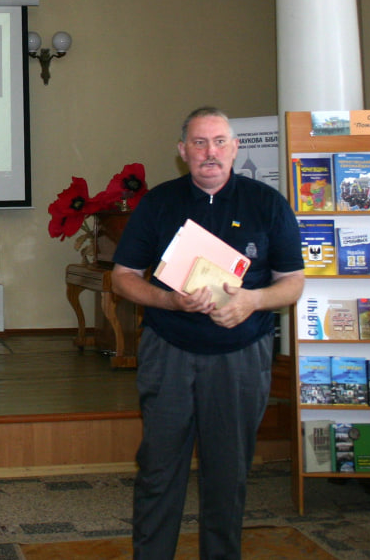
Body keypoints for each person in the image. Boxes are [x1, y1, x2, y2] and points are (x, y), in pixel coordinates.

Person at [111, 106, 305, 559]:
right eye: (199, 143)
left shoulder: (268, 203)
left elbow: (293, 283)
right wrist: (169, 301)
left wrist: (252, 301)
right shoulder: (158, 203)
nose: (210, 152)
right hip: (169, 351)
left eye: (219, 142)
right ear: (183, 152)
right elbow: (123, 277)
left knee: (228, 473)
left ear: (235, 148)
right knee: (158, 469)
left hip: (241, 354)